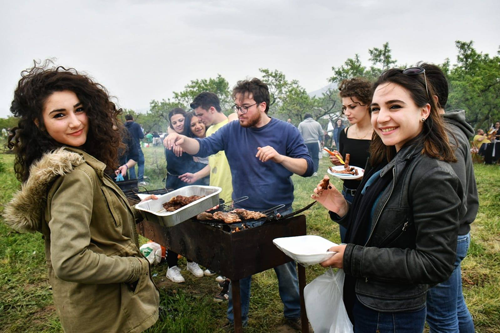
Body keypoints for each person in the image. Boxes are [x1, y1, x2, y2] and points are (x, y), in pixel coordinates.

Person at [3, 61, 159, 333]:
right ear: (40, 123)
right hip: (106, 315)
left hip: (96, 310)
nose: (75, 122)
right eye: (59, 115)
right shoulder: (74, 175)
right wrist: (137, 267)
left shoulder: (69, 162)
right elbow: (70, 262)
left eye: (79, 110)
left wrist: (138, 210)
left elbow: (95, 222)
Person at [312, 67, 463, 332]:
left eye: (394, 107)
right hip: (366, 296)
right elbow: (386, 227)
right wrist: (343, 209)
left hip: (392, 312)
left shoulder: (432, 174)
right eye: (376, 108)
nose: (382, 118)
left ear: (424, 111)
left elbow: (435, 263)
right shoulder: (388, 157)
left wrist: (352, 257)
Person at [164, 78, 314, 329]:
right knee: (238, 270)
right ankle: (236, 321)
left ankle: (294, 314)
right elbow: (203, 146)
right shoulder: (232, 130)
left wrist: (279, 157)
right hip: (243, 213)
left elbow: (308, 168)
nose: (239, 112)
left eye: (245, 107)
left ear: (263, 105)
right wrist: (182, 141)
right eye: (236, 106)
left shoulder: (285, 131)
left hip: (279, 212)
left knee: (286, 269)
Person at [422, 63, 477, 332]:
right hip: (455, 237)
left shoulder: (443, 138)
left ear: (430, 102)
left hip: (444, 241)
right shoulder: (447, 132)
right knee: (454, 308)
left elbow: (445, 202)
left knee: (441, 318)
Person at [164, 107, 206, 283]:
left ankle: (192, 260)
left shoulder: (190, 135)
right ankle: (171, 266)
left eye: (181, 120)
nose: (178, 124)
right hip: (175, 186)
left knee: (194, 225)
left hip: (194, 186)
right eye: (174, 123)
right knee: (175, 226)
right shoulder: (170, 141)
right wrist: (172, 135)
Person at [330, 78, 373, 242]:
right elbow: (345, 167)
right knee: (347, 242)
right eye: (345, 108)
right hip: (348, 196)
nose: (347, 113)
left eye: (352, 107)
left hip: (372, 197)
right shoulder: (345, 133)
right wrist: (339, 162)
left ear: (367, 104)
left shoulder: (381, 134)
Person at [125, 114, 147, 185]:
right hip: (136, 147)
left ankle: (133, 181)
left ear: (126, 119)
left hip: (127, 148)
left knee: (130, 165)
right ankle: (140, 180)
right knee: (141, 163)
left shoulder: (123, 126)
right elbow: (141, 136)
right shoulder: (136, 125)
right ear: (132, 118)